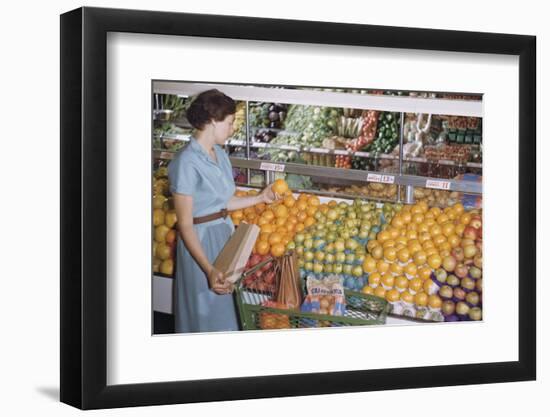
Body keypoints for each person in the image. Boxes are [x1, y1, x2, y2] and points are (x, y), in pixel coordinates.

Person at [168, 89, 279, 333]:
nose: (232, 129)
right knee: (204, 316)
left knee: (228, 316)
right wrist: (208, 269)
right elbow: (185, 224)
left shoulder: (219, 154)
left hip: (225, 237)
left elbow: (224, 203)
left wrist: (261, 197)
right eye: (229, 123)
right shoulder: (185, 163)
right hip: (201, 245)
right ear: (212, 122)